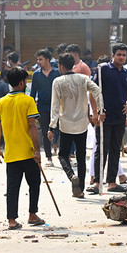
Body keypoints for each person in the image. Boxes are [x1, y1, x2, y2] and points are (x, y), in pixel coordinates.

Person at [0, 67, 45, 229]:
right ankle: (32, 214)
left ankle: (12, 220)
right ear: (22, 83)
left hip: (11, 154)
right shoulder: (28, 101)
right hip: (28, 152)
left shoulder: (0, 102)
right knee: (34, 183)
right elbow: (32, 127)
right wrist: (37, 150)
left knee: (12, 187)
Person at [49, 53, 101, 198]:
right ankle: (81, 190)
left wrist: (51, 127)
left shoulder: (58, 81)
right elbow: (97, 90)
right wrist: (100, 110)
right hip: (82, 124)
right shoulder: (83, 79)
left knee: (63, 155)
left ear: (61, 66)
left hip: (66, 125)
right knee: (81, 157)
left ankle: (72, 176)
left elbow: (55, 105)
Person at [92, 43, 127, 191]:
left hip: (119, 117)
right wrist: (97, 112)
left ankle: (112, 182)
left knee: (115, 149)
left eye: (124, 55)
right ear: (113, 55)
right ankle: (98, 182)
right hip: (104, 117)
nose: (121, 57)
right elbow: (93, 91)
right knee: (101, 149)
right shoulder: (103, 69)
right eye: (119, 54)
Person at [30, 49, 59, 165]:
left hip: (57, 107)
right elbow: (33, 92)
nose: (38, 62)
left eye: (40, 59)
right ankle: (49, 157)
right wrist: (31, 108)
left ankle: (64, 154)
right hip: (42, 107)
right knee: (46, 132)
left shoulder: (57, 73)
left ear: (47, 60)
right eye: (37, 59)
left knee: (60, 130)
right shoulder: (36, 74)